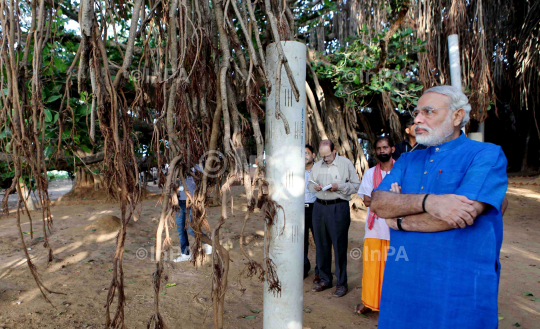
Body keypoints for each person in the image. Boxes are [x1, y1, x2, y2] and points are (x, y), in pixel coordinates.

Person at [370, 86, 508, 328]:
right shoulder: (407, 159)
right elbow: (379, 203)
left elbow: (462, 214)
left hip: (459, 287)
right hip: (404, 284)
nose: (418, 119)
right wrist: (429, 202)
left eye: (428, 112)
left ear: (457, 116)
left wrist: (400, 220)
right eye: (417, 112)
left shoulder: (486, 154)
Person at [307, 140, 360, 297]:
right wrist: (314, 187)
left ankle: (341, 283)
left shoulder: (345, 163)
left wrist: (339, 186)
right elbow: (309, 185)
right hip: (319, 208)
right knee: (321, 245)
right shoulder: (317, 166)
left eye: (328, 156)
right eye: (322, 156)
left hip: (338, 207)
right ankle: (325, 279)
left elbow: (356, 185)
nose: (325, 159)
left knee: (339, 246)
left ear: (335, 150)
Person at [355, 136, 395, 315]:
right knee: (371, 268)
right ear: (374, 151)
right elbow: (366, 201)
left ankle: (391, 305)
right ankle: (369, 302)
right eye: (378, 148)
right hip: (374, 228)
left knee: (393, 268)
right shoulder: (370, 173)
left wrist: (378, 198)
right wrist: (392, 200)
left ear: (392, 149)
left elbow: (408, 200)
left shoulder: (402, 171)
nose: (382, 151)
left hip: (395, 229)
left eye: (385, 147)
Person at [174, 167, 212, 262]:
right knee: (180, 229)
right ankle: (185, 254)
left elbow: (204, 181)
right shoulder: (176, 166)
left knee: (191, 229)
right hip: (179, 202)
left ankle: (207, 241)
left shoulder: (196, 167)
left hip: (192, 201)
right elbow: (171, 182)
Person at [304, 145, 319, 282]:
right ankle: (303, 268)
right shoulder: (296, 171)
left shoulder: (320, 170)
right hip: (300, 209)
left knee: (319, 240)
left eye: (307, 153)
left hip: (316, 208)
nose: (304, 156)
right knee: (301, 241)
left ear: (313, 155)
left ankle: (319, 272)